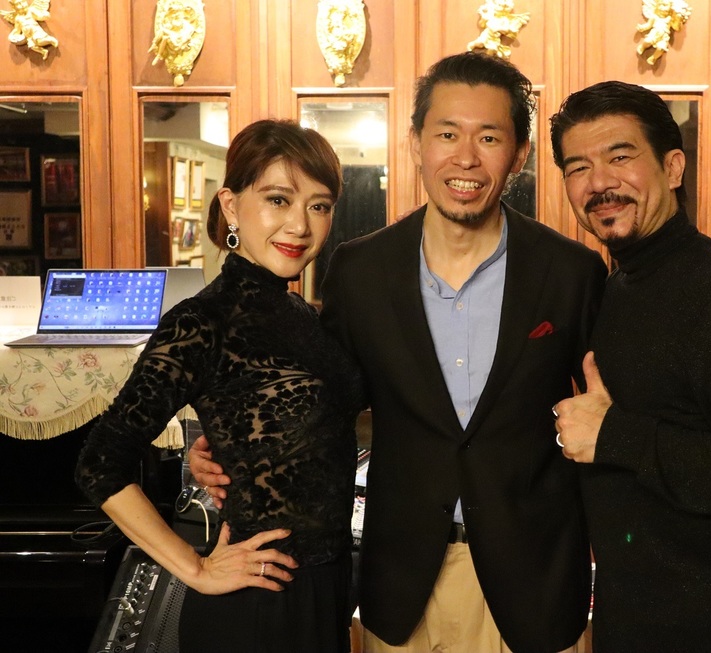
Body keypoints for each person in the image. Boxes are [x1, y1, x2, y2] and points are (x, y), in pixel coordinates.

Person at [191, 52, 608, 653]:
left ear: (518, 155)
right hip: (401, 583)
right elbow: (323, 398)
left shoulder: (571, 272)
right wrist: (232, 444)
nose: (466, 158)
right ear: (415, 142)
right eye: (447, 134)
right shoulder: (359, 270)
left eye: (489, 137)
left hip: (536, 584)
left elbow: (606, 416)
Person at [75, 119, 363, 653]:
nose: (300, 225)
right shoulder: (200, 323)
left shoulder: (303, 313)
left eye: (319, 206)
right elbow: (99, 464)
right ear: (231, 205)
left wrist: (227, 445)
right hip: (257, 604)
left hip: (326, 589)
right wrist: (197, 569)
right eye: (278, 200)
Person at [549, 81, 711, 653]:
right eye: (578, 167)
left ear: (673, 167)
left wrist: (614, 434)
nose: (599, 183)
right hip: (636, 618)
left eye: (620, 157)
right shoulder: (623, 280)